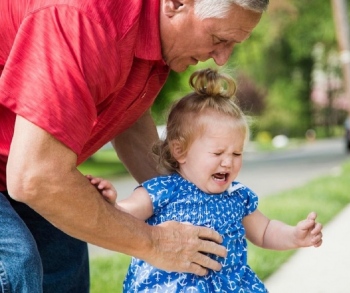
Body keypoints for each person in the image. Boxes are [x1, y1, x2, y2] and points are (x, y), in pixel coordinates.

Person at [0, 0, 269, 292]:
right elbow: (35, 177)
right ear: (177, 3)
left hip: (20, 166)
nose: (221, 58)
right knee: (17, 262)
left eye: (233, 44)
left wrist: (188, 204)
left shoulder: (158, 40)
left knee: (66, 258)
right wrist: (155, 243)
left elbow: (127, 115)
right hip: (28, 169)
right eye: (218, 39)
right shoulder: (85, 20)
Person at [88, 68, 324, 292]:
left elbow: (265, 231)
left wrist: (294, 235)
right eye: (218, 153)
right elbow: (124, 215)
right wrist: (111, 202)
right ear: (180, 151)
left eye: (236, 154)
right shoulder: (163, 190)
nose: (228, 162)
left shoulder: (237, 196)